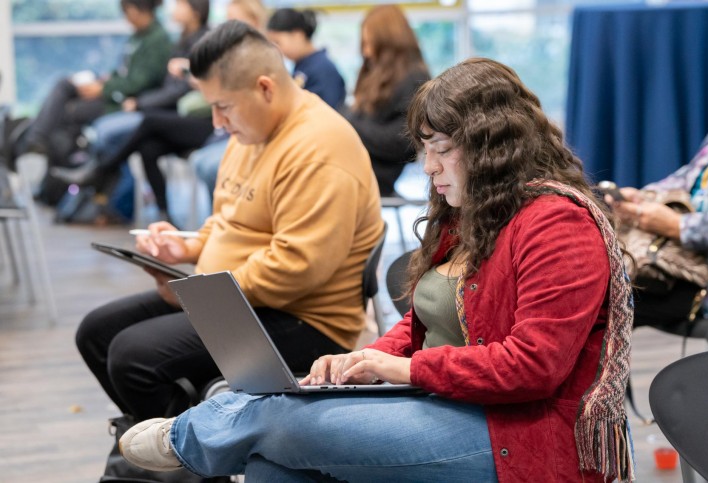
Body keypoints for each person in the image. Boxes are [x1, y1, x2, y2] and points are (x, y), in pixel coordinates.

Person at [118, 58, 636, 483]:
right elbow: (424, 324)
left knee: (275, 419)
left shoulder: (559, 224)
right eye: (425, 150)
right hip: (446, 403)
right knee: (272, 464)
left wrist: (402, 370)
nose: (428, 168)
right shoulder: (476, 212)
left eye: (442, 150)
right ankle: (220, 427)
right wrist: (367, 358)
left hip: (517, 434)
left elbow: (532, 368)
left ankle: (191, 435)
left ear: (493, 146)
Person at [74, 19, 383, 425]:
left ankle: (188, 455)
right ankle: (180, 442)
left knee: (134, 357)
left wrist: (198, 294)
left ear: (265, 88)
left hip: (303, 321)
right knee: (96, 332)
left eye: (222, 106)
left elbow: (298, 268)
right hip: (242, 299)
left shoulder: (319, 147)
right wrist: (186, 247)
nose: (217, 122)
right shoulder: (249, 134)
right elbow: (227, 219)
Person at [53, 0, 211, 223]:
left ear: (196, 11)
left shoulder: (200, 41)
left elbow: (181, 88)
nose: (173, 10)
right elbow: (168, 87)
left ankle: (101, 171)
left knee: (147, 122)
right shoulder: (181, 40)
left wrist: (140, 103)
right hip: (175, 112)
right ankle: (165, 216)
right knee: (148, 148)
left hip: (198, 118)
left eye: (179, 5)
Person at [604, 119, 708, 344]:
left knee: (608, 309)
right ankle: (611, 380)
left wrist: (678, 225)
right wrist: (642, 199)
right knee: (603, 304)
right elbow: (686, 179)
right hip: (691, 273)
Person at [20, 0, 171, 158]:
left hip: (125, 102)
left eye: (127, 13)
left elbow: (140, 82)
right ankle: (35, 141)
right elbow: (125, 72)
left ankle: (50, 151)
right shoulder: (137, 37)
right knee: (64, 85)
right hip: (114, 93)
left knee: (70, 111)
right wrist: (103, 81)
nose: (126, 19)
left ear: (135, 10)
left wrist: (104, 88)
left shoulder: (158, 39)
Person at [340, 4, 430, 197]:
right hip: (361, 163)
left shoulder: (414, 79)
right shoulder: (376, 75)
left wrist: (350, 124)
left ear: (388, 42)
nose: (366, 52)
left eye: (370, 44)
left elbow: (403, 142)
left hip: (379, 173)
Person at [266, 8, 346, 109]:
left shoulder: (322, 69)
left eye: (278, 42)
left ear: (298, 35)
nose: (276, 48)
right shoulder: (303, 66)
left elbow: (325, 110)